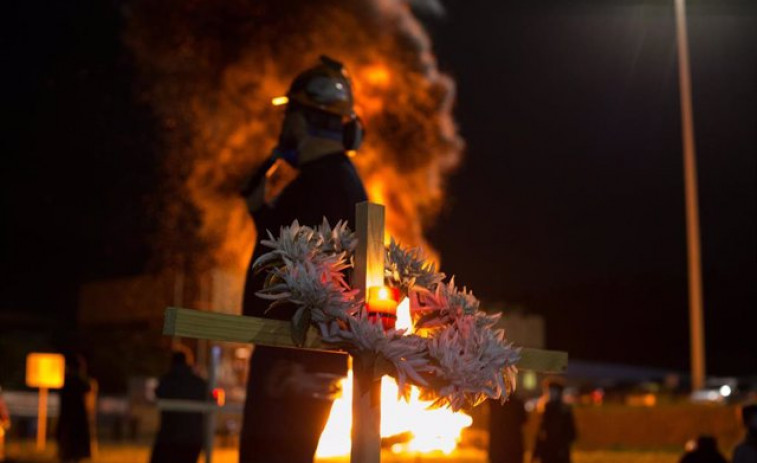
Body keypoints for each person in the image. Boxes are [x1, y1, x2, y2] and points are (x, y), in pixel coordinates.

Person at [239, 55, 368, 463]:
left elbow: (325, 287)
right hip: (291, 363)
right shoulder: (324, 183)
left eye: (290, 115)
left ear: (301, 119)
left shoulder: (329, 185)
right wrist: (261, 210)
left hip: (292, 365)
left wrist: (297, 367)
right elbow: (286, 252)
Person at [150, 351, 208, 463]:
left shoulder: (167, 380)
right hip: (192, 438)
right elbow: (207, 396)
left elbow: (158, 394)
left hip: (169, 437)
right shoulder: (198, 383)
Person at [56, 354, 91, 463]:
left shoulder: (65, 380)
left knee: (67, 442)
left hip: (67, 415)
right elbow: (88, 388)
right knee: (75, 442)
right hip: (77, 416)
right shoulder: (77, 380)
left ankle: (67, 455)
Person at [532, 380, 576, 463]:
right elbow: (541, 433)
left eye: (554, 391)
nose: (551, 394)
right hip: (547, 454)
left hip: (560, 454)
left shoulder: (564, 411)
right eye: (549, 391)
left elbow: (572, 433)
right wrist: (536, 453)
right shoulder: (545, 410)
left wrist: (562, 446)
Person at [489, 395, 527, 463]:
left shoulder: (496, 404)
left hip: (499, 447)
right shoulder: (517, 404)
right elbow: (524, 420)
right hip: (514, 447)